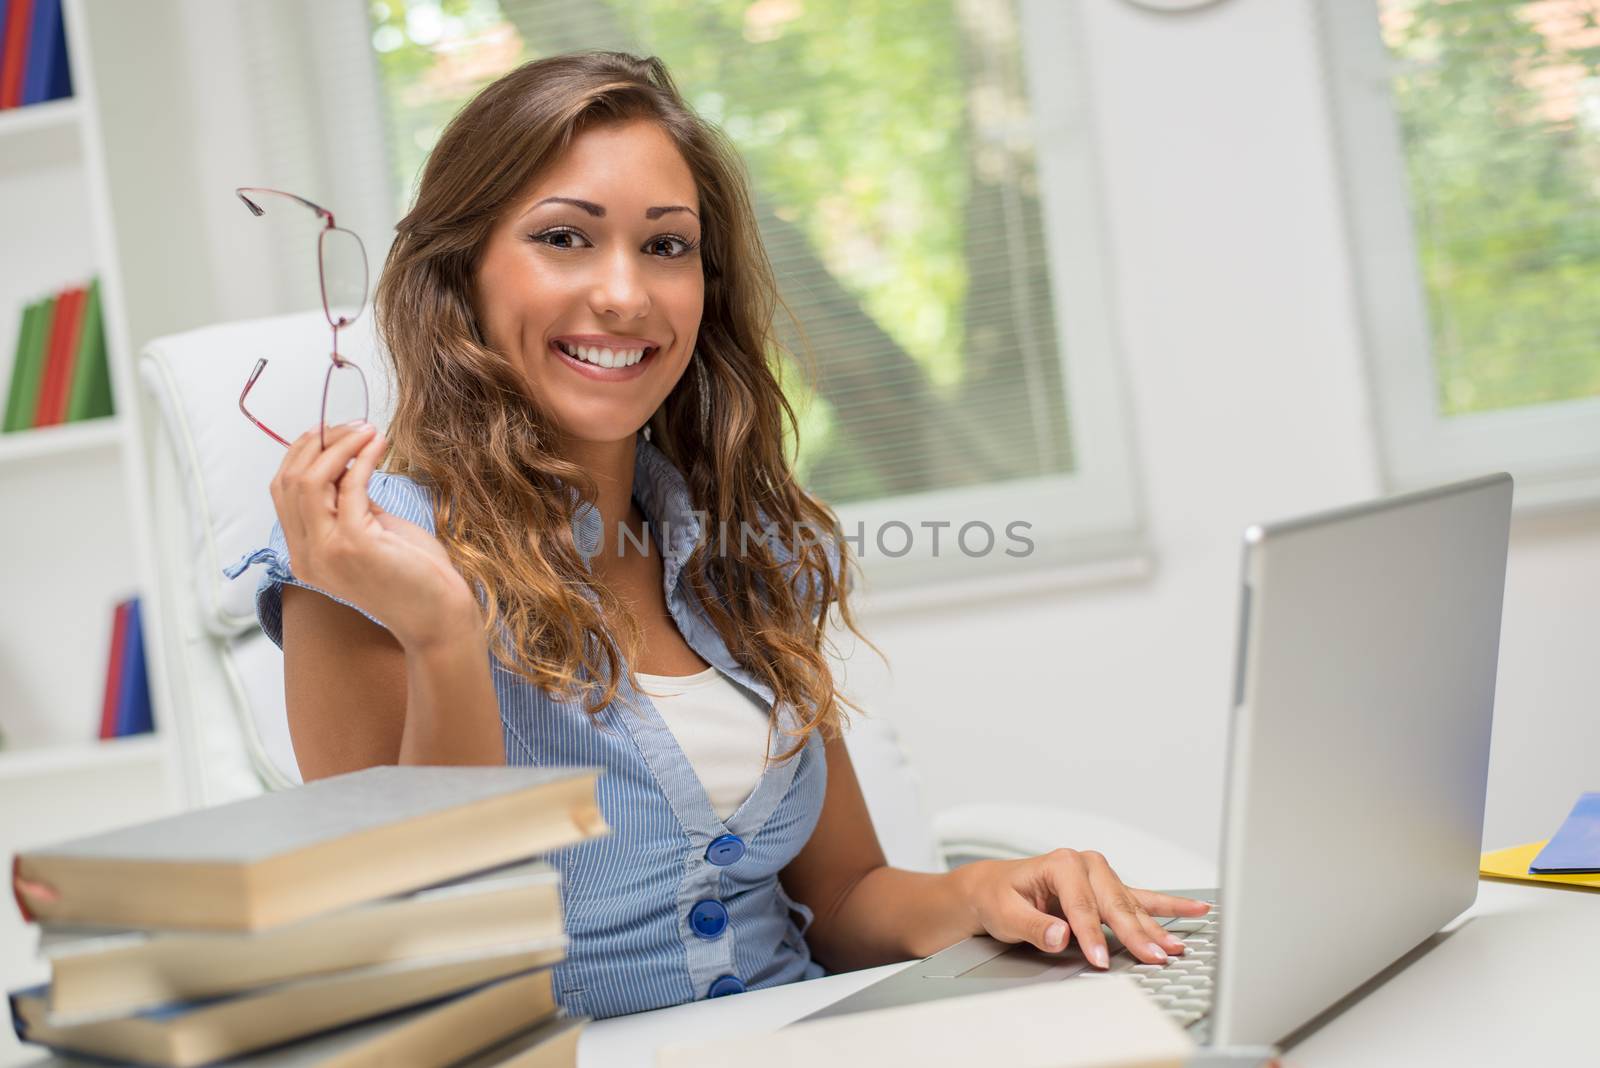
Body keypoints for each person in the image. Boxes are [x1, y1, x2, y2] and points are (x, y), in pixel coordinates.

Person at [16, 50, 1207, 1020]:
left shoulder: (742, 543)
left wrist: (986, 894)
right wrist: (440, 632)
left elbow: (842, 895)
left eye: (667, 245)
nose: (626, 294)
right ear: (463, 276)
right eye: (565, 237)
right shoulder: (364, 565)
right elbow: (432, 949)